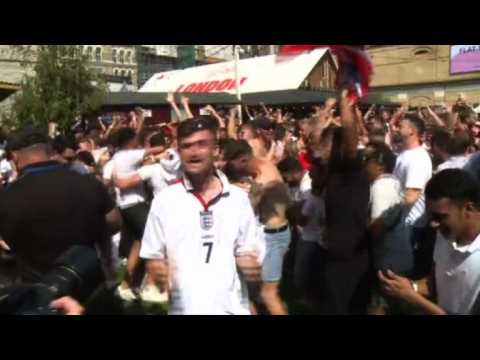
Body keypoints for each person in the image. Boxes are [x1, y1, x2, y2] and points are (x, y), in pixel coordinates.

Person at [140, 116, 263, 315]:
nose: (194, 152)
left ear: (216, 150)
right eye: (187, 146)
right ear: (179, 151)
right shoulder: (164, 201)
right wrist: (162, 274)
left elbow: (247, 252)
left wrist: (249, 268)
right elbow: (152, 254)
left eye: (201, 144)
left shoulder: (238, 199)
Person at [0, 127, 122, 285]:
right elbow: (114, 222)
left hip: (38, 291)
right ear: (50, 151)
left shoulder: (8, 197)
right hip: (87, 281)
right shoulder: (87, 182)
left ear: (15, 157)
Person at [378, 169, 480, 315]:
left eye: (440, 217)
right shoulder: (444, 235)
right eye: (431, 216)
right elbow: (436, 282)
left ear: (468, 208)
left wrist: (412, 297)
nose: (433, 224)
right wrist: (409, 287)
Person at [110, 127, 166, 301]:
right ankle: (150, 286)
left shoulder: (119, 156)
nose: (138, 142)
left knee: (138, 244)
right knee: (153, 242)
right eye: (135, 139)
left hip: (128, 206)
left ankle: (128, 286)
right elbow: (157, 149)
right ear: (129, 141)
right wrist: (156, 155)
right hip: (135, 205)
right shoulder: (128, 154)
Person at [363, 142, 414, 314]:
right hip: (395, 258)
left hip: (389, 261)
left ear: (379, 165)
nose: (363, 164)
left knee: (380, 306)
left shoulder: (382, 187)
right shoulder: (389, 182)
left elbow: (378, 227)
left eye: (366, 160)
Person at [393, 115, 433, 277]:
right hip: (402, 223)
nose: (396, 128)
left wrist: (385, 213)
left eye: (401, 126)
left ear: (411, 131)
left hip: (411, 225)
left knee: (402, 272)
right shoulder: (405, 154)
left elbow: (411, 196)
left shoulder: (417, 158)